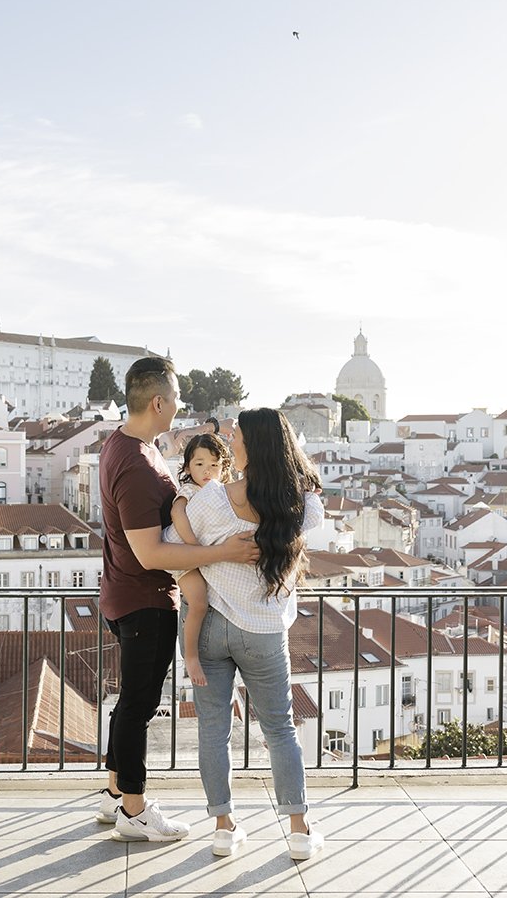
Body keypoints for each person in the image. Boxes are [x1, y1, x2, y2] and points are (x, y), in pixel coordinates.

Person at [93, 356, 260, 843]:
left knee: (130, 703)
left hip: (122, 593)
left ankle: (114, 797)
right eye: (178, 397)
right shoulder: (138, 465)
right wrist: (222, 551)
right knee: (138, 706)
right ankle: (135, 811)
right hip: (143, 599)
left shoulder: (120, 445)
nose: (182, 405)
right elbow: (149, 552)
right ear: (159, 402)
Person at [168, 408, 326, 861]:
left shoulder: (213, 500)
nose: (229, 442)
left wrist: (186, 515)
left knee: (213, 731)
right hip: (262, 630)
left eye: (236, 436)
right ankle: (298, 831)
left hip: (210, 624)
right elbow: (315, 498)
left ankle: (223, 827)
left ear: (250, 447)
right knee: (280, 729)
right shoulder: (297, 507)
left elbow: (171, 542)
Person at [168, 431, 235, 687]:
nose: (207, 471)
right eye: (199, 464)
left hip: (197, 556)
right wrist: (194, 549)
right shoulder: (190, 489)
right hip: (182, 556)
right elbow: (177, 513)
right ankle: (192, 657)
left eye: (214, 465)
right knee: (198, 604)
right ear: (187, 467)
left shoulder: (221, 493)